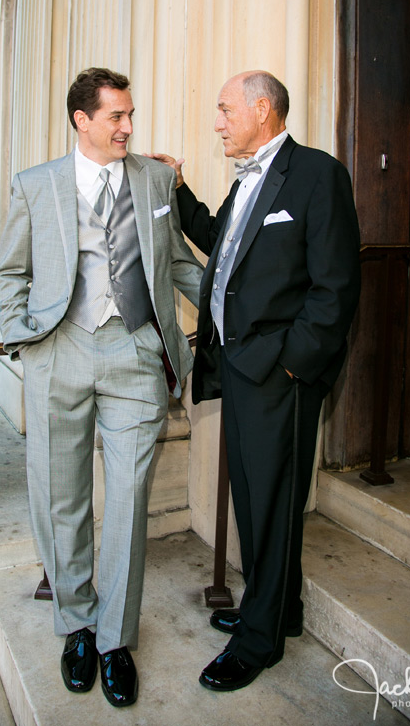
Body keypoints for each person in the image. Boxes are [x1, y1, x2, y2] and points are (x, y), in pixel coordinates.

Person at [0, 67, 203, 707]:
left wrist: (237, 311)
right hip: (59, 348)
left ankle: (114, 637)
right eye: (116, 117)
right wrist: (22, 339)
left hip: (134, 348)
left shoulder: (157, 178)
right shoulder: (35, 186)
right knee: (61, 494)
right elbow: (10, 273)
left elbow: (176, 264)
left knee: (131, 494)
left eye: (130, 114)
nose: (129, 127)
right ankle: (76, 624)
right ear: (81, 120)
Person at [149, 70, 360, 692]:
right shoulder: (247, 182)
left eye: (224, 110)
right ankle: (283, 609)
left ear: (262, 109)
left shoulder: (318, 175)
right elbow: (222, 243)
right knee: (258, 500)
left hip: (279, 376)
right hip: (238, 370)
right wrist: (181, 190)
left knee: (269, 505)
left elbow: (336, 288)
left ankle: (258, 639)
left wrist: (294, 365)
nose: (217, 122)